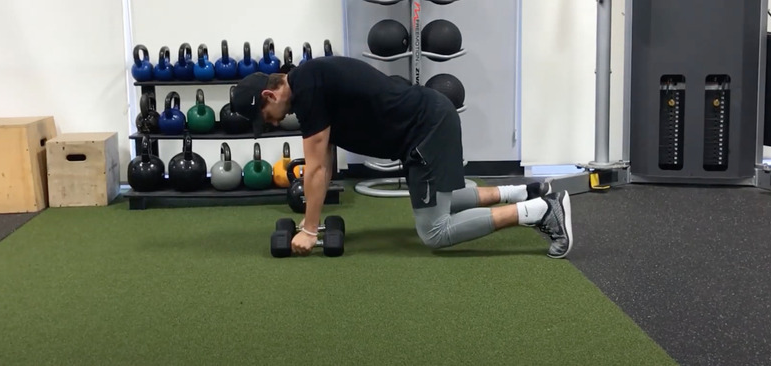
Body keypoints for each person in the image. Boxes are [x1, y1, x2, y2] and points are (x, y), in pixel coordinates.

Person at [232, 56, 573, 258]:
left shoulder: (307, 90)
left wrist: (309, 230)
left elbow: (318, 167)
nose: (273, 122)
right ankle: (523, 192)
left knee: (434, 231)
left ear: (269, 94)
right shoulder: (309, 81)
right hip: (426, 124)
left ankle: (541, 211)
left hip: (426, 129)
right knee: (445, 201)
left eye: (267, 115)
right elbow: (324, 162)